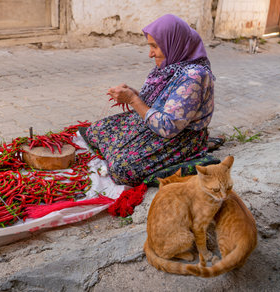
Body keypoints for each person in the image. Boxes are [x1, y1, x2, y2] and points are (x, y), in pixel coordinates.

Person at [82, 14, 215, 186]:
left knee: (122, 169)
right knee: (95, 130)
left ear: (173, 43)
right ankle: (121, 151)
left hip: (178, 136)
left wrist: (133, 100)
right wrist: (133, 94)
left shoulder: (194, 75)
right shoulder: (172, 65)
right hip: (155, 123)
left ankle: (196, 151)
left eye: (155, 46)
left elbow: (169, 127)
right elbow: (162, 100)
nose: (150, 54)